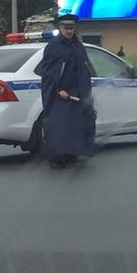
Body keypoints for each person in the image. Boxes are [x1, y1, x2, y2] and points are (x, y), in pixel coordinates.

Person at [34, 12, 96, 167]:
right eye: (66, 28)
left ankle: (74, 154)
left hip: (79, 93)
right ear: (60, 28)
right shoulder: (54, 46)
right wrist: (58, 89)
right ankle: (57, 158)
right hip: (61, 95)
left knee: (78, 125)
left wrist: (85, 92)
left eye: (72, 28)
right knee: (60, 126)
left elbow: (83, 69)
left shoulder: (78, 46)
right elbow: (48, 72)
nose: (69, 31)